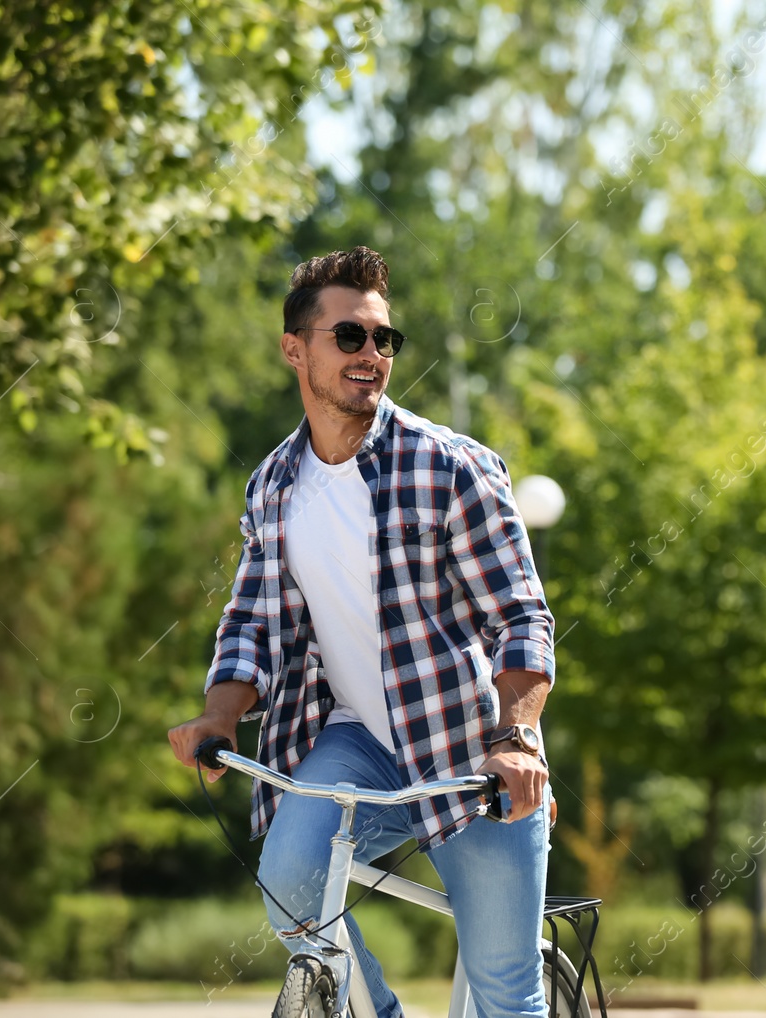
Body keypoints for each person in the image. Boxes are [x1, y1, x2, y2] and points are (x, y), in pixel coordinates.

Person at [167, 245, 556, 1018]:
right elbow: (251, 620)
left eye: (383, 339)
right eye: (349, 336)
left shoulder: (450, 467)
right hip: (356, 747)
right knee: (292, 888)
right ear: (295, 349)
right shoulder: (274, 486)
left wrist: (514, 738)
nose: (371, 354)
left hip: (467, 753)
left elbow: (519, 616)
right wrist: (218, 716)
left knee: (507, 994)